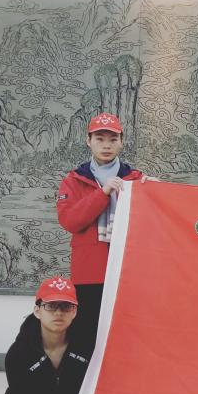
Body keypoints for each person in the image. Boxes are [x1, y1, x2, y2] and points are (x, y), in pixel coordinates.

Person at [56, 113, 145, 348]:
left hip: (127, 270)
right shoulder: (73, 180)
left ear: (121, 142)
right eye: (100, 139)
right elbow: (70, 221)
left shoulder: (136, 180)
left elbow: (149, 222)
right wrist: (102, 193)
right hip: (89, 272)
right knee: (87, 335)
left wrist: (155, 191)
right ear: (89, 141)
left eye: (113, 139)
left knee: (126, 334)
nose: (106, 145)